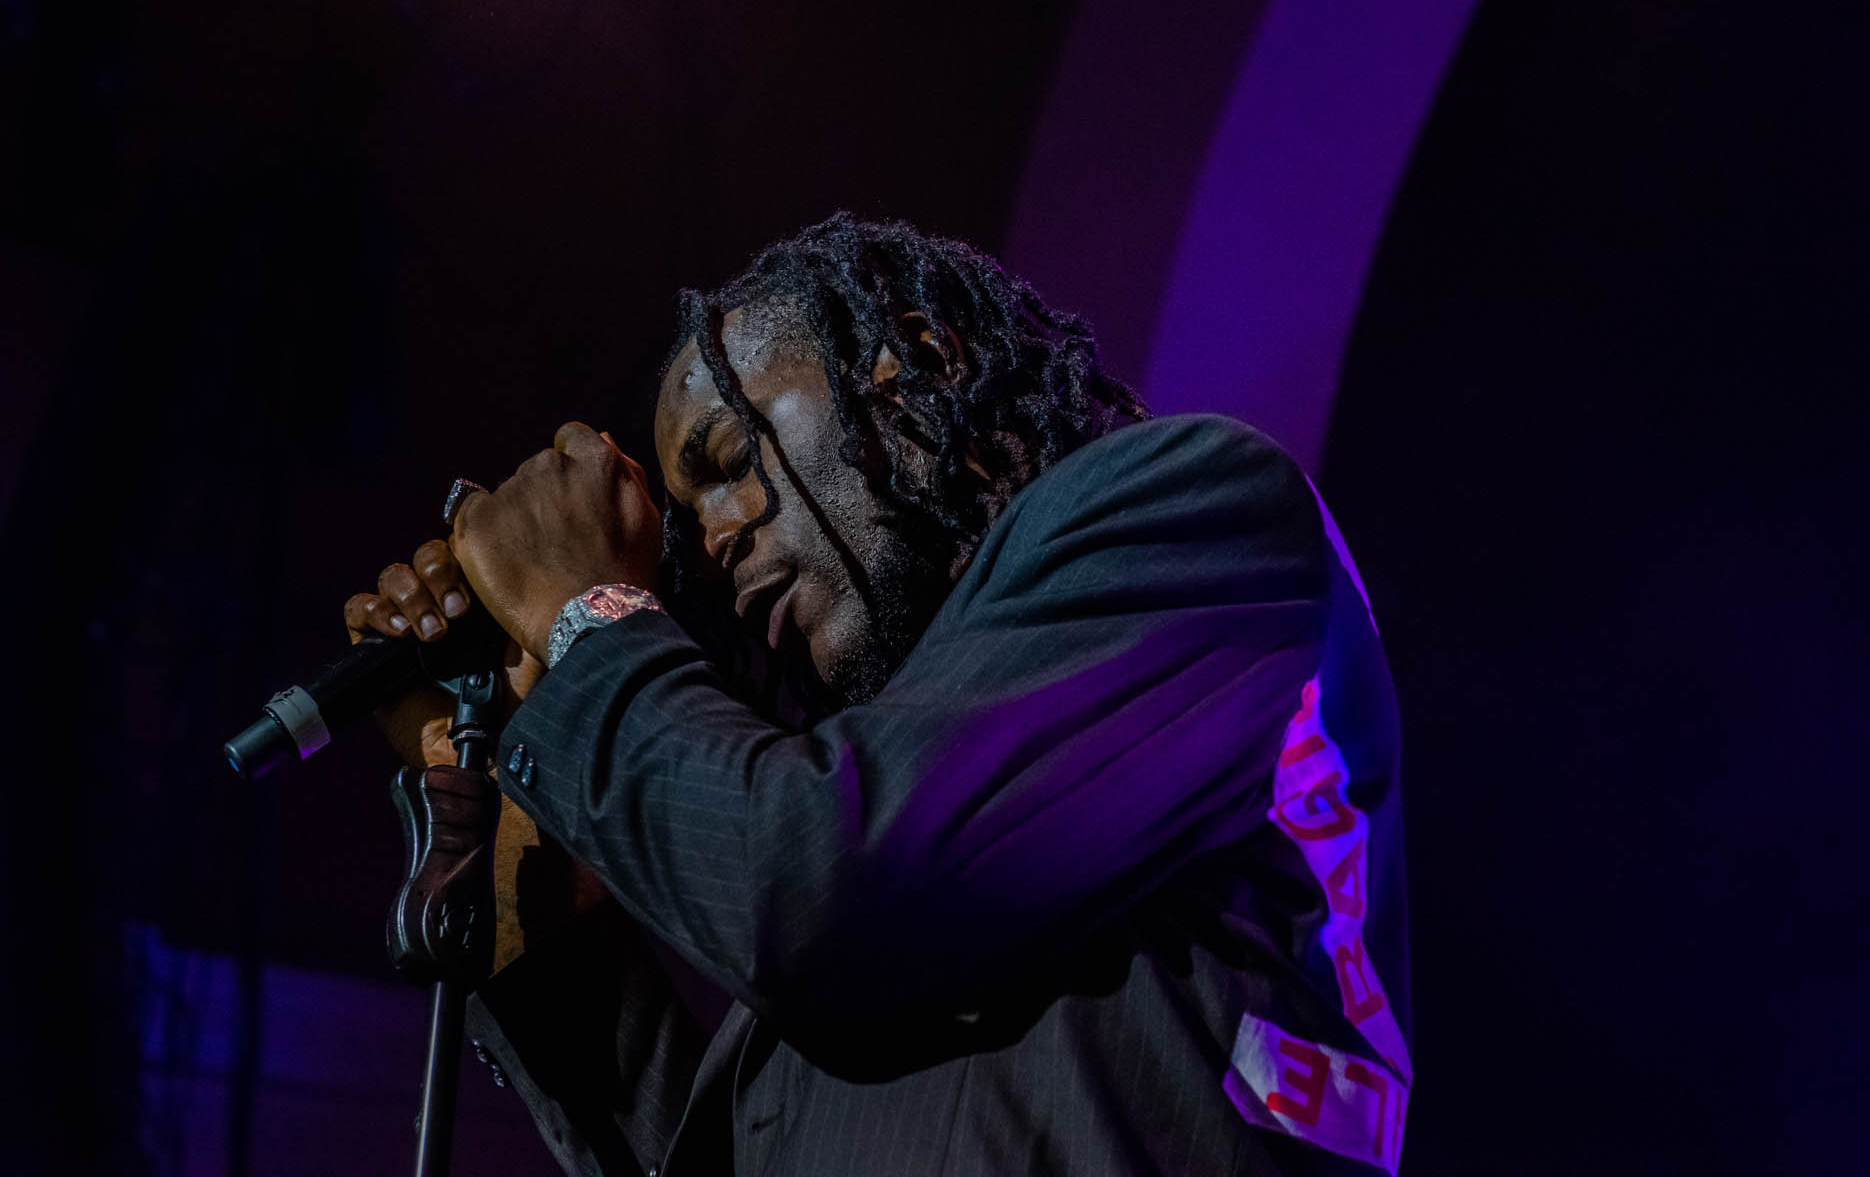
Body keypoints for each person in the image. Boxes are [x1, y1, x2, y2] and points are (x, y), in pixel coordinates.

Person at [346, 214, 1412, 1175]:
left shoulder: (1190, 510)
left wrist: (587, 614)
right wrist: (527, 866)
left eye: (727, 457)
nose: (713, 543)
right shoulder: (887, 846)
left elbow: (809, 880)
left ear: (912, 358)